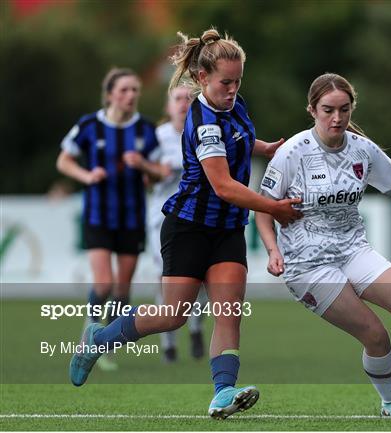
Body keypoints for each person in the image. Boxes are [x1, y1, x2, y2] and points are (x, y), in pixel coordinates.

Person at [69, 28, 302, 419]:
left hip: (227, 229)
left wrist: (264, 147)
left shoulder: (234, 104)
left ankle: (223, 393)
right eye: (226, 82)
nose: (233, 89)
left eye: (238, 81)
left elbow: (241, 136)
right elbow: (224, 185)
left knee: (229, 312)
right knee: (173, 315)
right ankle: (100, 339)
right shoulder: (203, 120)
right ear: (202, 78)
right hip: (188, 228)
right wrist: (274, 208)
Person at [255, 73, 391, 418]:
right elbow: (263, 210)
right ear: (312, 109)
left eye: (344, 109)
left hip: (352, 249)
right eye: (328, 109)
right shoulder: (291, 153)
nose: (337, 118)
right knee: (375, 335)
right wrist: (273, 250)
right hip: (307, 264)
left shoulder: (362, 149)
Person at [57, 67, 164, 370]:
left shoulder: (145, 130)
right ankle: (89, 334)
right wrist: (86, 175)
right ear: (109, 95)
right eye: (124, 90)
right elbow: (63, 160)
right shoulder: (90, 126)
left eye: (135, 91)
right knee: (103, 283)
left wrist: (143, 165)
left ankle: (106, 343)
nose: (131, 96)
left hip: (131, 217)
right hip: (98, 215)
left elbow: (160, 174)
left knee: (122, 288)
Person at [149, 81, 208, 362]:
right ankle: (168, 345)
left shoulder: (204, 132)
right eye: (178, 98)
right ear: (167, 105)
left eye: (188, 98)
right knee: (167, 282)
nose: (183, 103)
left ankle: (196, 329)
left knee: (203, 281)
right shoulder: (157, 137)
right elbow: (142, 175)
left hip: (199, 217)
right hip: (162, 220)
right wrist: (153, 171)